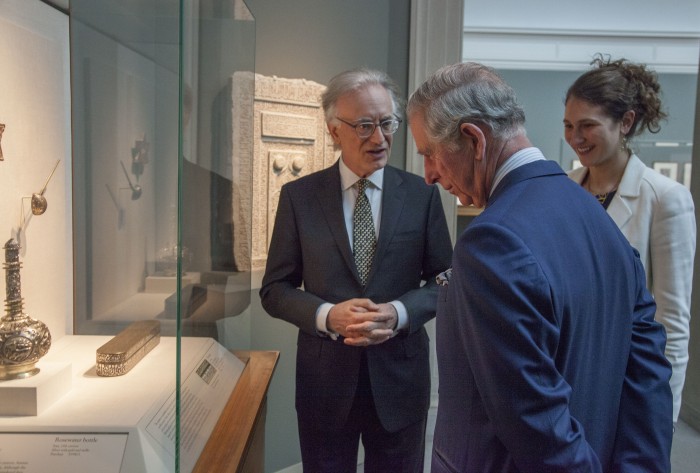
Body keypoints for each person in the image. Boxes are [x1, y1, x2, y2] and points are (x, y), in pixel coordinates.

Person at [407, 61, 673, 472]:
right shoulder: (598, 218)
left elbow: (537, 424)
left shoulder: (491, 241)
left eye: (429, 154)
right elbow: (648, 381)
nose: (428, 175)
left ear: (473, 138)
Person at [260, 68, 452, 472]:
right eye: (365, 126)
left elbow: (446, 279)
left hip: (400, 382)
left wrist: (398, 313)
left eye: (387, 123)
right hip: (324, 385)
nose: (380, 138)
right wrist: (327, 315)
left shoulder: (422, 196)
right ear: (334, 130)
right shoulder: (299, 198)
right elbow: (275, 289)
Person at [565, 54, 696, 425]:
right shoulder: (564, 186)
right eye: (569, 125)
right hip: (568, 372)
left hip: (630, 380)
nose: (575, 138)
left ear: (626, 122)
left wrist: (660, 415)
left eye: (587, 125)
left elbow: (672, 321)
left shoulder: (665, 197)